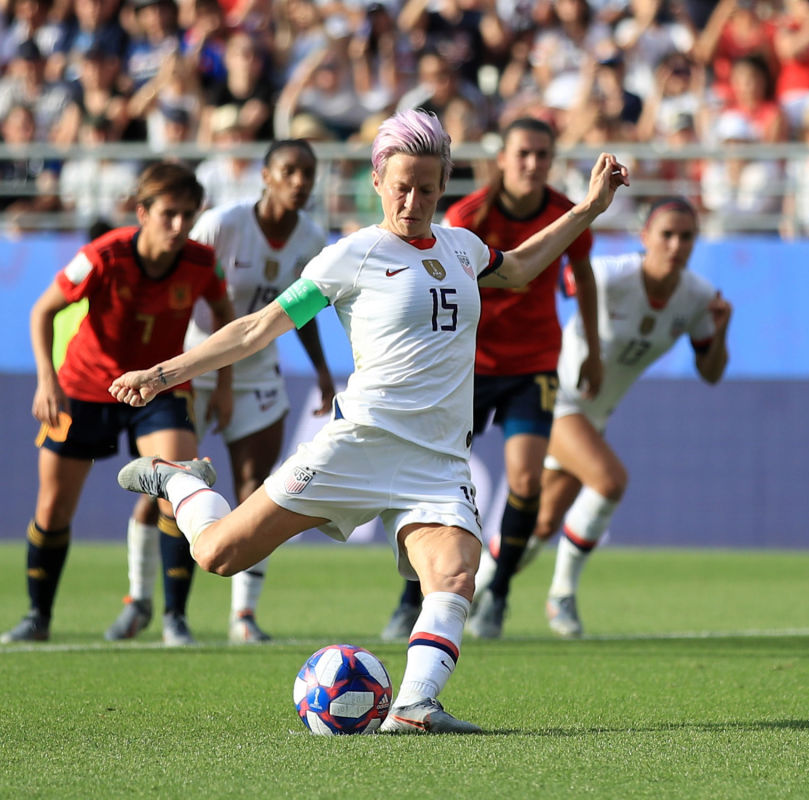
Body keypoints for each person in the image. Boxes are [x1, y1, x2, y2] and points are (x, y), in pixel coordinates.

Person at [110, 109, 628, 733]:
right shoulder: (350, 256)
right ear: (379, 180)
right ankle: (180, 481)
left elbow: (518, 267)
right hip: (357, 444)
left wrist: (588, 210)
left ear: (443, 189)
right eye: (403, 186)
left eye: (429, 189)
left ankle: (412, 707)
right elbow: (254, 328)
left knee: (458, 571)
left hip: (436, 461)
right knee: (219, 554)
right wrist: (162, 374)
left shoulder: (463, 249)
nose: (414, 201)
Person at [381, 116, 604, 642]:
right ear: (501, 157)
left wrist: (591, 348)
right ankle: (413, 595)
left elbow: (584, 277)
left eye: (542, 155)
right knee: (439, 479)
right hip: (471, 368)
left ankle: (499, 592)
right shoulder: (468, 214)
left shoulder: (560, 213)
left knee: (526, 481)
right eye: (523, 153)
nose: (532, 164)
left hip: (534, 364)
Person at [105, 139, 335, 645]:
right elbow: (178, 294)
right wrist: (163, 369)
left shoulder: (313, 238)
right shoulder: (222, 225)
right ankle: (142, 600)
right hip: (192, 369)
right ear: (266, 177)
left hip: (257, 373)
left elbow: (303, 311)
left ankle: (244, 617)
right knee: (167, 486)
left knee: (258, 492)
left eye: (308, 173)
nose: (300, 181)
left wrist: (321, 370)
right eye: (290, 170)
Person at [0, 162, 235, 647]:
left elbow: (227, 316)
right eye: (169, 213)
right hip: (85, 388)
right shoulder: (103, 255)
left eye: (188, 215)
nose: (179, 226)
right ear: (142, 211)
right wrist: (47, 380)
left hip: (158, 389)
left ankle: (175, 620)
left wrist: (225, 384)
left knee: (182, 481)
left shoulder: (199, 262)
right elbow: (43, 309)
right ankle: (37, 616)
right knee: (54, 508)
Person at [521, 197, 731, 637]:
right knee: (610, 481)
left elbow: (710, 375)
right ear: (645, 238)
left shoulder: (696, 297)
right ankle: (562, 595)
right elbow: (569, 280)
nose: (676, 245)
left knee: (541, 523)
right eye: (666, 235)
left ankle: (476, 593)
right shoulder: (611, 274)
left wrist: (722, 329)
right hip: (558, 397)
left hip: (595, 414)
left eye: (687, 236)